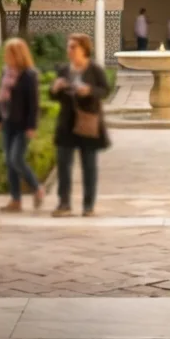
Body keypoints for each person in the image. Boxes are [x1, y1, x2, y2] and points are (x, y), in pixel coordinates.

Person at [51, 33, 110, 217]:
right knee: (63, 165)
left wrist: (89, 91)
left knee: (89, 165)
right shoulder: (64, 70)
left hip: (87, 122)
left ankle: (88, 205)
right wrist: (55, 89)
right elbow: (53, 96)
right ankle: (64, 203)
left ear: (84, 49)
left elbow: (105, 90)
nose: (69, 50)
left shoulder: (94, 70)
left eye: (73, 47)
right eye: (68, 46)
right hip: (67, 122)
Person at [0, 37, 45, 213]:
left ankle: (37, 188)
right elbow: (0, 98)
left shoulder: (29, 75)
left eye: (9, 53)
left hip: (23, 125)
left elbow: (33, 103)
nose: (6, 56)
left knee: (16, 158)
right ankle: (16, 200)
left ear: (18, 54)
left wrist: (32, 126)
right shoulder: (6, 72)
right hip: (8, 122)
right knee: (9, 161)